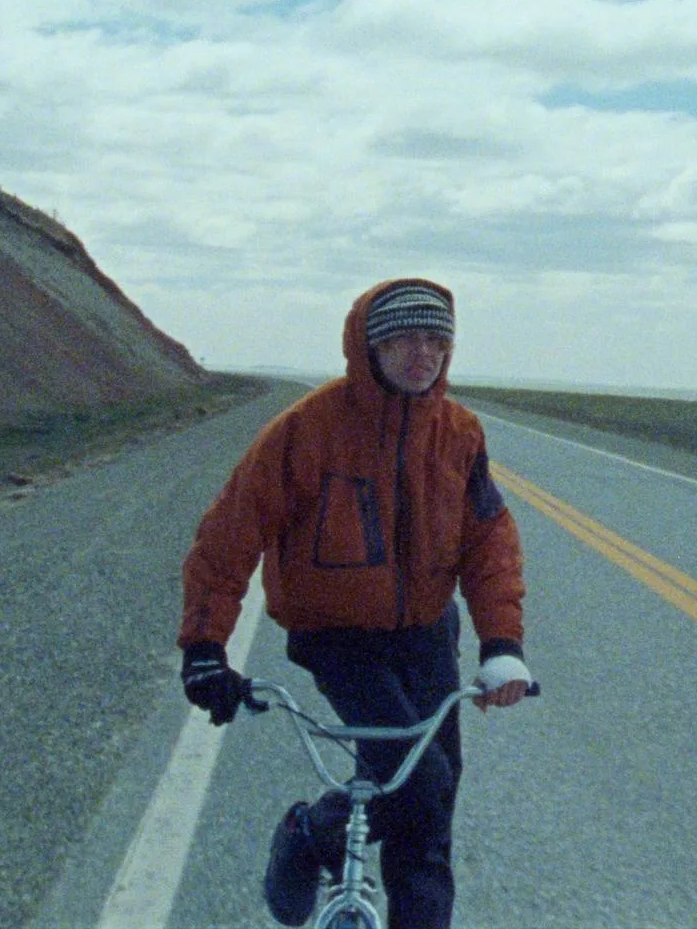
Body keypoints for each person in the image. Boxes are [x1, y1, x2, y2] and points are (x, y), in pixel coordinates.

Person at [175, 278, 531, 929]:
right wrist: (204, 647)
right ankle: (310, 836)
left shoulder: (459, 432)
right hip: (336, 638)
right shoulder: (307, 429)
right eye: (405, 338)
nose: (423, 354)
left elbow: (488, 540)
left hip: (426, 634)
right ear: (371, 346)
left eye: (436, 340)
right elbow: (229, 533)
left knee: (432, 810)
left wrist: (502, 645)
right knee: (419, 784)